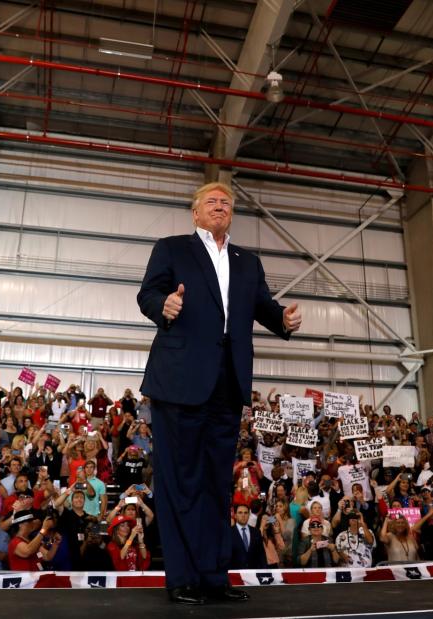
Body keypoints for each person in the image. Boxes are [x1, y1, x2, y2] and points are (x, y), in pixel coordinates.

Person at [136, 181, 301, 605]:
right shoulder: (172, 248)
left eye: (226, 202)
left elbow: (263, 307)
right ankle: (182, 578)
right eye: (211, 201)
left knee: (216, 485)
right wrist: (164, 307)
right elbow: (149, 293)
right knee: (179, 482)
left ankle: (213, 576)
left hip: (227, 386)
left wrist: (283, 318)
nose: (220, 205)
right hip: (178, 381)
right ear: (195, 213)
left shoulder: (248, 262)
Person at [229, 503, 266, 569]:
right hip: (235, 574)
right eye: (240, 513)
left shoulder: (256, 532)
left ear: (249, 515)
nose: (243, 515)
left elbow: (261, 555)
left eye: (246, 513)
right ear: (235, 515)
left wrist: (264, 571)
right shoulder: (229, 533)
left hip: (253, 573)